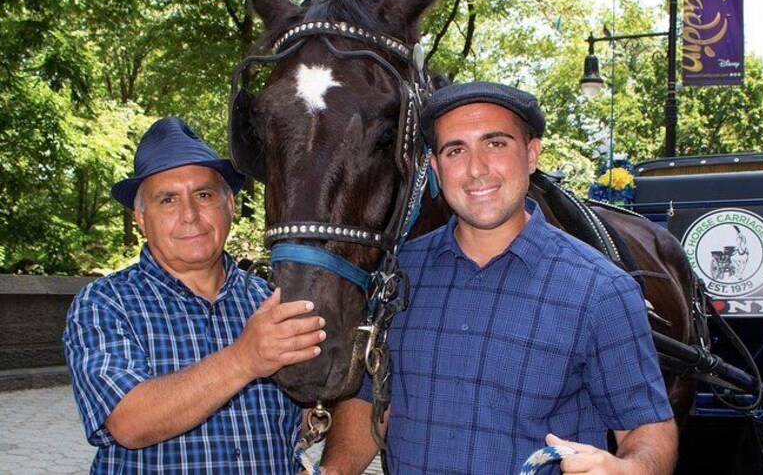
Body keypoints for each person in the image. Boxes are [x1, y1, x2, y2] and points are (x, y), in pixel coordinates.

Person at [317, 82, 677, 474]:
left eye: (495, 144)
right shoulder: (399, 274)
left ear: (532, 154)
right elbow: (372, 397)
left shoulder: (601, 291)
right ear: (436, 168)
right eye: (456, 150)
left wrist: (632, 469)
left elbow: (647, 426)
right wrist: (336, 468)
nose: (476, 169)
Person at [64, 117, 326, 473]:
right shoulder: (104, 303)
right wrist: (243, 359)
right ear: (141, 217)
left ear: (230, 204)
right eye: (167, 200)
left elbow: (315, 410)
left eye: (203, 195)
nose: (190, 215)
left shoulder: (273, 302)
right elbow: (127, 422)